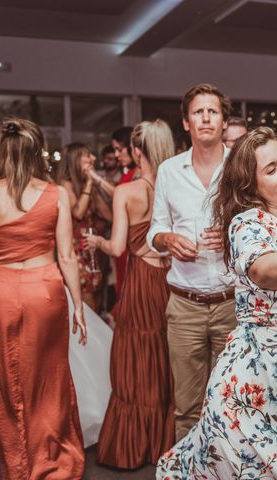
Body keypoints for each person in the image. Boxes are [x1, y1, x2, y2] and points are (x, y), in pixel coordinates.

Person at [157, 126, 277, 479]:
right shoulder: (247, 224)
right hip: (255, 393)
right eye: (271, 169)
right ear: (251, 187)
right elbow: (263, 270)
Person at [0, 118, 87, 479]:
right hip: (43, 288)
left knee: (5, 379)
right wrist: (78, 306)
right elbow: (68, 256)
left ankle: (18, 466)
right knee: (49, 379)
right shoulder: (57, 193)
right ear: (37, 152)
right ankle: (51, 464)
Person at [147, 83, 237, 442]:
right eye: (198, 112)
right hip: (184, 305)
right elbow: (155, 230)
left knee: (233, 402)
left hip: (234, 303)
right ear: (186, 123)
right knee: (186, 407)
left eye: (212, 111)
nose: (205, 118)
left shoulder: (241, 166)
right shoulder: (169, 171)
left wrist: (232, 232)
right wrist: (167, 240)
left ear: (224, 121)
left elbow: (266, 222)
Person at [84, 119, 176, 468]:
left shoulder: (128, 192)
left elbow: (118, 247)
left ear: (137, 151)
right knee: (164, 355)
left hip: (140, 283)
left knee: (135, 359)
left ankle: (134, 445)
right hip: (169, 281)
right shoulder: (174, 187)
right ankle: (163, 443)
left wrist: (97, 242)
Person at [56, 142, 112, 312]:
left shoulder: (88, 186)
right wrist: (89, 183)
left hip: (91, 250)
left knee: (94, 297)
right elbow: (78, 213)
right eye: (88, 155)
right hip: (75, 251)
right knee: (85, 300)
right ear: (75, 160)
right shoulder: (66, 185)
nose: (93, 158)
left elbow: (109, 215)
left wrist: (94, 184)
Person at [110, 126, 138, 296]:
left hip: (130, 247)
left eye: (119, 149)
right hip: (124, 242)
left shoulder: (136, 177)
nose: (116, 155)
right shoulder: (128, 175)